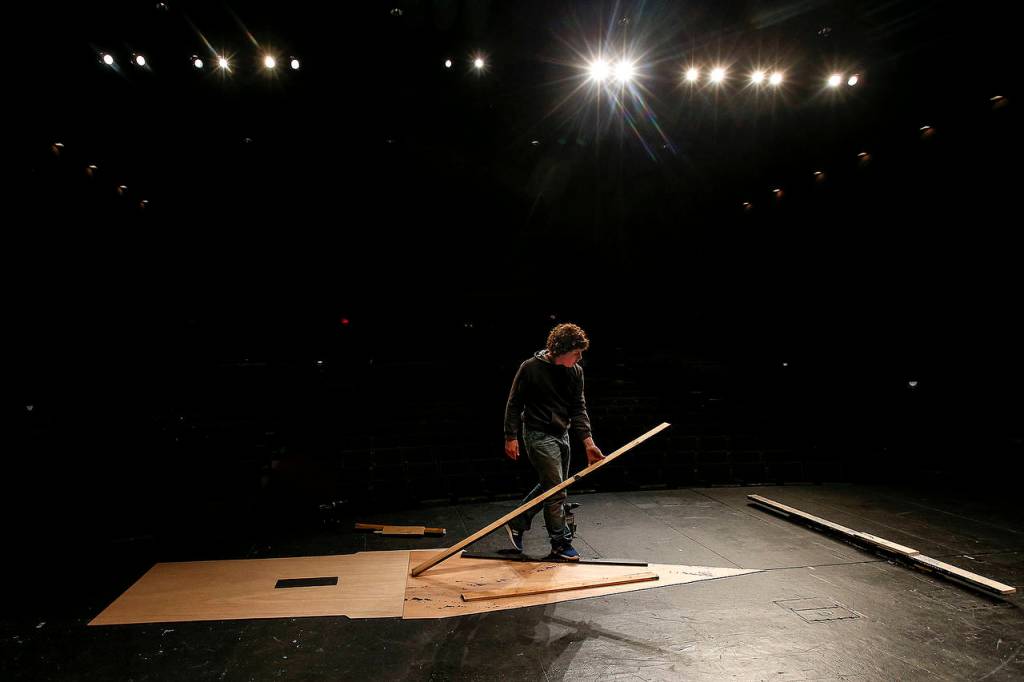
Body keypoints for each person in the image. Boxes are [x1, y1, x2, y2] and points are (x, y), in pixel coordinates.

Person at [503, 322, 604, 560]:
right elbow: (514, 403)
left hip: (562, 433)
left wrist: (588, 443)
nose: (579, 358)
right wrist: (511, 436)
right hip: (538, 433)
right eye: (576, 353)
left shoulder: (575, 371)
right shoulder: (530, 368)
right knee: (556, 491)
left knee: (554, 486)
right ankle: (560, 543)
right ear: (561, 349)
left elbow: (579, 408)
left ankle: (518, 522)